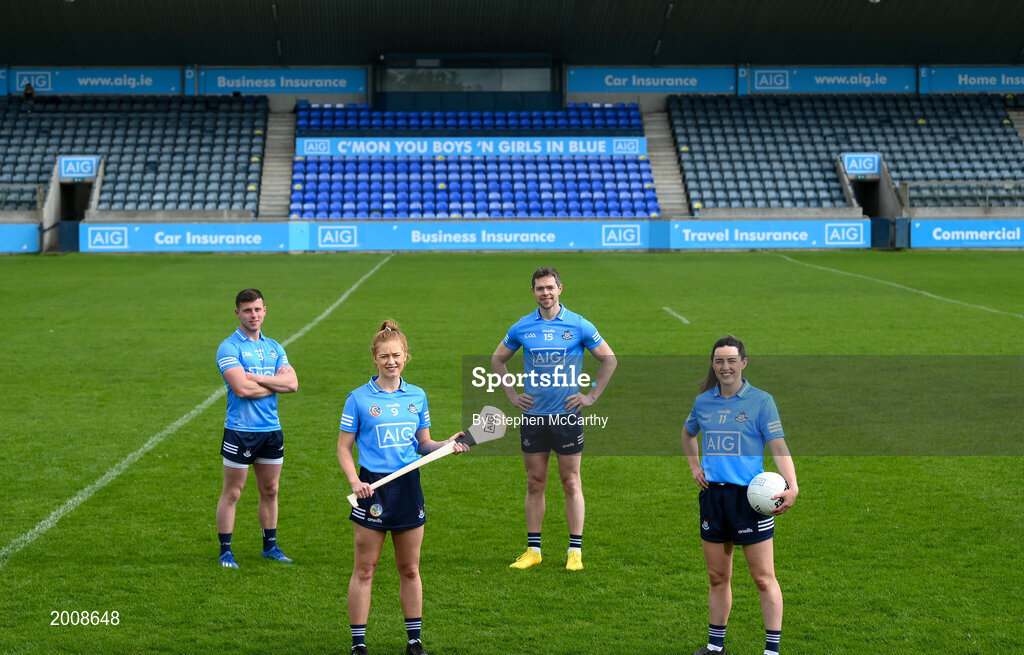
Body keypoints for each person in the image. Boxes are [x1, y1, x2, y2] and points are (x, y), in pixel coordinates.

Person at [338, 320, 469, 655]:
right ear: (375, 358)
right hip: (373, 489)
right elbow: (343, 448)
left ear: (406, 357)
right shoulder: (358, 398)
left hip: (409, 487)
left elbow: (422, 444)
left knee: (410, 569)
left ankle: (414, 641)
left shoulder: (417, 396)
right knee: (365, 568)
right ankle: (358, 645)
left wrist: (446, 444)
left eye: (396, 355)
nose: (391, 361)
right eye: (384, 356)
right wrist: (356, 481)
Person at [491, 266, 617, 571]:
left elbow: (609, 359)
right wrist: (511, 395)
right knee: (535, 482)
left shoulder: (578, 325)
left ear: (561, 288)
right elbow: (497, 359)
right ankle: (534, 549)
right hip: (534, 417)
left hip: (566, 417)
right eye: (539, 288)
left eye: (550, 287)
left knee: (571, 482)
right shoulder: (522, 327)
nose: (545, 293)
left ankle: (575, 551)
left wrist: (590, 397)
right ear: (533, 292)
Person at [681, 335, 798, 655]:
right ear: (713, 364)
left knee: (763, 578)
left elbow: (778, 446)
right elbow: (688, 433)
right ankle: (715, 648)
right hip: (713, 499)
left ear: (743, 363)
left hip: (750, 501)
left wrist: (792, 484)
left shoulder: (761, 401)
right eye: (719, 361)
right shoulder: (703, 401)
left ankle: (771, 651)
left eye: (732, 360)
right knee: (717, 576)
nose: (725, 367)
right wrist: (694, 467)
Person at [215, 288, 298, 569]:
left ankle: (270, 547)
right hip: (240, 430)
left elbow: (293, 385)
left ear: (265, 311)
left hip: (271, 430)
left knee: (271, 489)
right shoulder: (229, 347)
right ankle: (226, 551)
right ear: (237, 313)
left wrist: (254, 378)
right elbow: (241, 389)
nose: (254, 315)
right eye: (248, 310)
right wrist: (271, 382)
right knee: (233, 492)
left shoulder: (275, 347)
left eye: (258, 309)